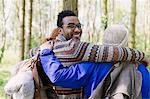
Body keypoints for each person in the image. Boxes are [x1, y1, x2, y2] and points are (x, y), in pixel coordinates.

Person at [39, 10, 149, 98]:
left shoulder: (90, 65)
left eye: (79, 26)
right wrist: (142, 56)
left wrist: (45, 51)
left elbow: (59, 76)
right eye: (71, 26)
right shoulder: (142, 70)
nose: (77, 30)